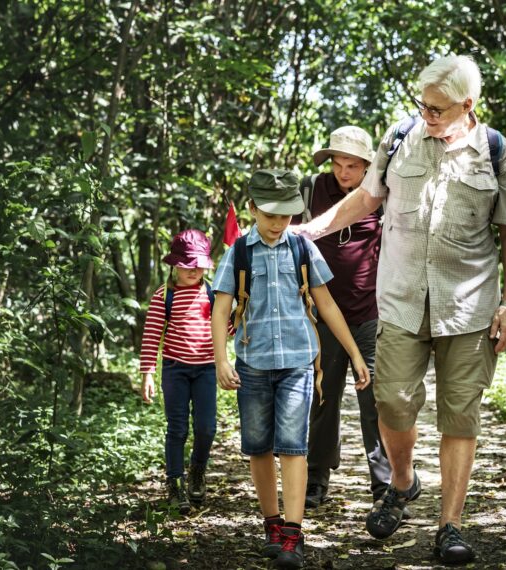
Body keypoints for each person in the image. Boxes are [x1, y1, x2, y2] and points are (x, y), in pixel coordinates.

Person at [294, 55, 506, 564]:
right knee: (393, 402)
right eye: (422, 105)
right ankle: (402, 482)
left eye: (439, 109)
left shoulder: (496, 152)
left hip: (468, 307)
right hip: (399, 299)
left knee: (459, 416)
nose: (428, 115)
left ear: (469, 106)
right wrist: (307, 230)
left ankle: (451, 525)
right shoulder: (400, 137)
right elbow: (365, 200)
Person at [210, 169, 371, 570]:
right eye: (270, 215)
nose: (278, 223)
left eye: (286, 216)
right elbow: (221, 309)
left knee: (293, 447)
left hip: (298, 363)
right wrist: (220, 359)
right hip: (253, 365)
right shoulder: (239, 252)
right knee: (259, 447)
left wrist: (353, 352)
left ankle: (293, 535)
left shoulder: (302, 249)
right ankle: (272, 525)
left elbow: (327, 303)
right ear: (253, 209)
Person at [301, 126, 392, 508]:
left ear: (368, 166)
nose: (343, 172)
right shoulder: (311, 190)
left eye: (352, 165)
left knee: (375, 401)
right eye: (337, 164)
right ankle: (317, 477)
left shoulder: (381, 195)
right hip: (323, 313)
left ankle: (384, 485)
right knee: (323, 398)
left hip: (370, 311)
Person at [139, 229, 218, 515]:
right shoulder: (164, 295)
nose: (194, 271)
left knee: (207, 427)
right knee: (177, 428)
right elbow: (151, 335)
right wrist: (147, 372)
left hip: (207, 370)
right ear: (175, 264)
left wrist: (239, 314)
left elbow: (226, 329)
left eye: (199, 265)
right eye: (188, 265)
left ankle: (197, 471)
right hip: (175, 370)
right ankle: (175, 483)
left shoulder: (211, 293)